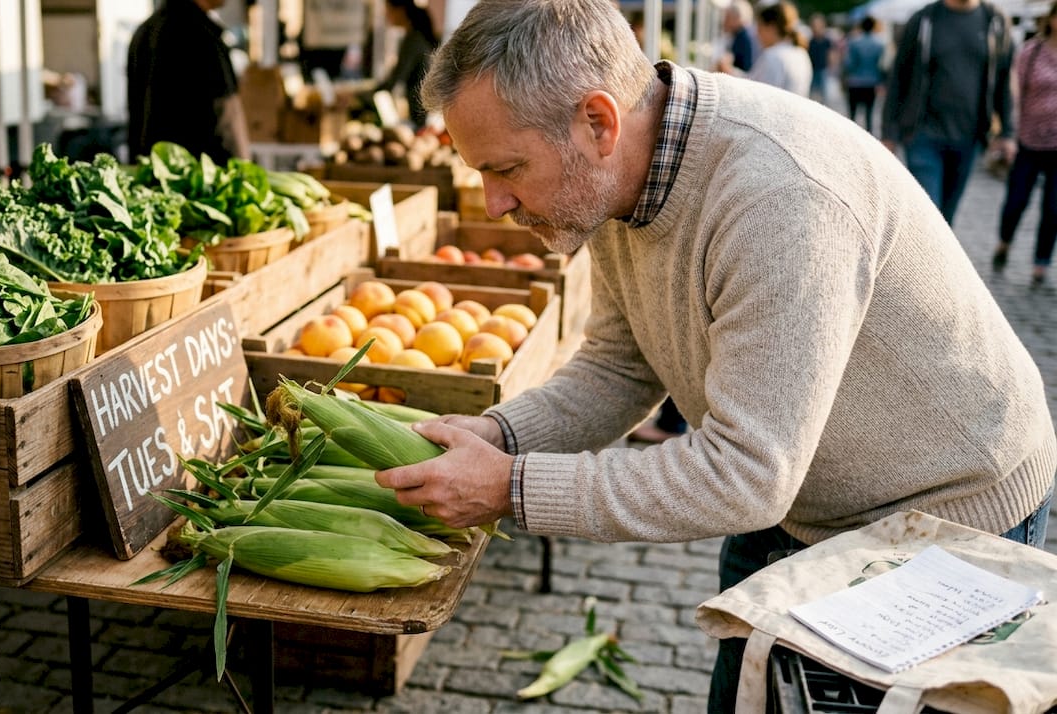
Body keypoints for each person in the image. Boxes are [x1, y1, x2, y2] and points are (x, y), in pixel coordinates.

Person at [371, 1, 1056, 711]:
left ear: (598, 122)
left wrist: (510, 486)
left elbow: (746, 472)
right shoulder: (608, 180)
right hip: (801, 498)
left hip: (943, 517)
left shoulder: (779, 197)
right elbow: (618, 365)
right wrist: (495, 436)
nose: (493, 203)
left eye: (507, 168)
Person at [882, 0, 1016, 225]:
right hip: (922, 133)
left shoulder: (995, 21)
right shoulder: (924, 20)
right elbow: (898, 78)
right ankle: (919, 257)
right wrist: (889, 132)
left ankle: (933, 258)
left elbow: (1004, 81)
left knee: (946, 217)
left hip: (970, 136)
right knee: (928, 213)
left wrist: (1007, 133)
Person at [126, 0, 249, 164]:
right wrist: (241, 174)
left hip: (154, 173)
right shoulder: (203, 35)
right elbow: (225, 118)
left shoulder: (145, 32)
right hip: (199, 179)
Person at [993, 0, 1057, 286]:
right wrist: (1006, 132)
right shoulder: (1032, 52)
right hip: (1028, 142)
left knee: (1054, 208)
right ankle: (1005, 242)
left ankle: (1040, 263)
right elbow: (1012, 94)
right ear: (1052, 20)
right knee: (1017, 201)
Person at [375, 0, 439, 127]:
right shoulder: (417, 37)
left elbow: (395, 79)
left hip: (421, 115)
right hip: (424, 112)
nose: (385, 14)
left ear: (400, 11)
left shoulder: (413, 40)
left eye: (388, 9)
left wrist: (365, 95)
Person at [745, 1, 813, 96]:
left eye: (760, 28)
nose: (757, 34)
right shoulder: (801, 53)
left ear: (771, 28)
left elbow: (759, 95)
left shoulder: (773, 56)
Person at [842, 16, 887, 135]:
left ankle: (850, 137)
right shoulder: (880, 44)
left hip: (855, 82)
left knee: (852, 115)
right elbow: (882, 66)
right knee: (869, 115)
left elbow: (849, 64)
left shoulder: (854, 42)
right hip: (871, 82)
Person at [717, 0, 759, 73]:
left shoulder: (744, 38)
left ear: (736, 18)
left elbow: (747, 70)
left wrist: (726, 67)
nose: (724, 21)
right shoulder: (740, 34)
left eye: (727, 17)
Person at [807, 13, 834, 103]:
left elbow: (830, 54)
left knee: (824, 96)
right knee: (810, 95)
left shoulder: (826, 40)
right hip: (812, 70)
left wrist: (831, 66)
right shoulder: (810, 41)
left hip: (823, 69)